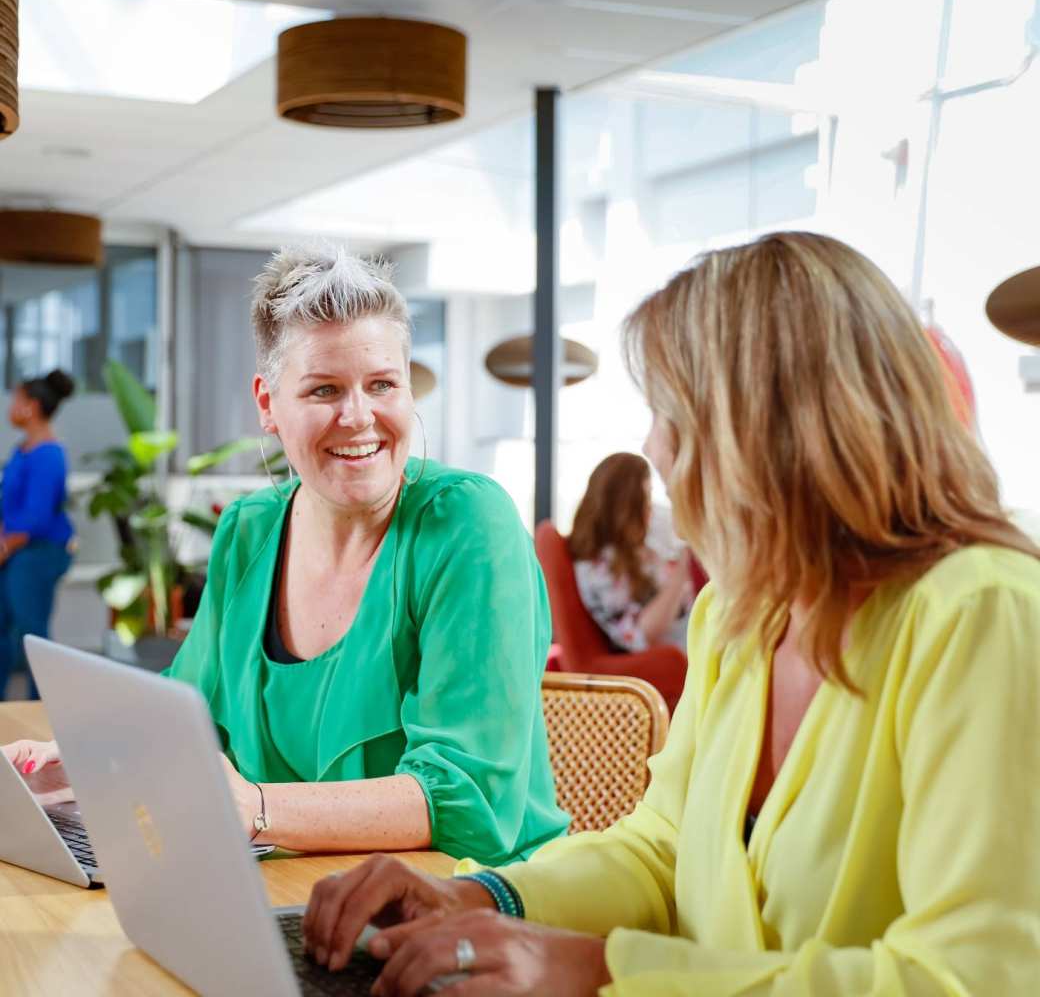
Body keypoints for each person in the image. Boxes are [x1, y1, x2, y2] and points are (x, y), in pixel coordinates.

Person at [300, 231, 1040, 993]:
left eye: (670, 412)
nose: (652, 445)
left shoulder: (984, 616)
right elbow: (663, 848)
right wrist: (481, 895)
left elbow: (974, 977)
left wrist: (604, 971)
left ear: (772, 431)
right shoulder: (739, 612)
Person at [4, 245, 568, 863]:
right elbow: (192, 714)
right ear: (268, 405)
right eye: (324, 389)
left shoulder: (467, 523)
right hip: (291, 892)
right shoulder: (248, 531)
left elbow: (467, 799)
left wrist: (257, 811)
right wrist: (93, 758)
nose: (359, 418)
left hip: (470, 906)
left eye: (383, 384)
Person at [569, 451, 695, 652]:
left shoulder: (635, 550)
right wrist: (682, 572)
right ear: (626, 508)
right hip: (674, 656)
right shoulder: (598, 567)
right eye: (646, 500)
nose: (650, 510)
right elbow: (641, 634)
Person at [0, 369, 75, 700]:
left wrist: (5, 546)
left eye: (16, 400)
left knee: (32, 634)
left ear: (31, 406)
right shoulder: (23, 449)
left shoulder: (48, 454)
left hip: (36, 553)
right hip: (14, 551)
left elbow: (36, 517)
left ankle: (43, 711)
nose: (11, 407)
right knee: (4, 631)